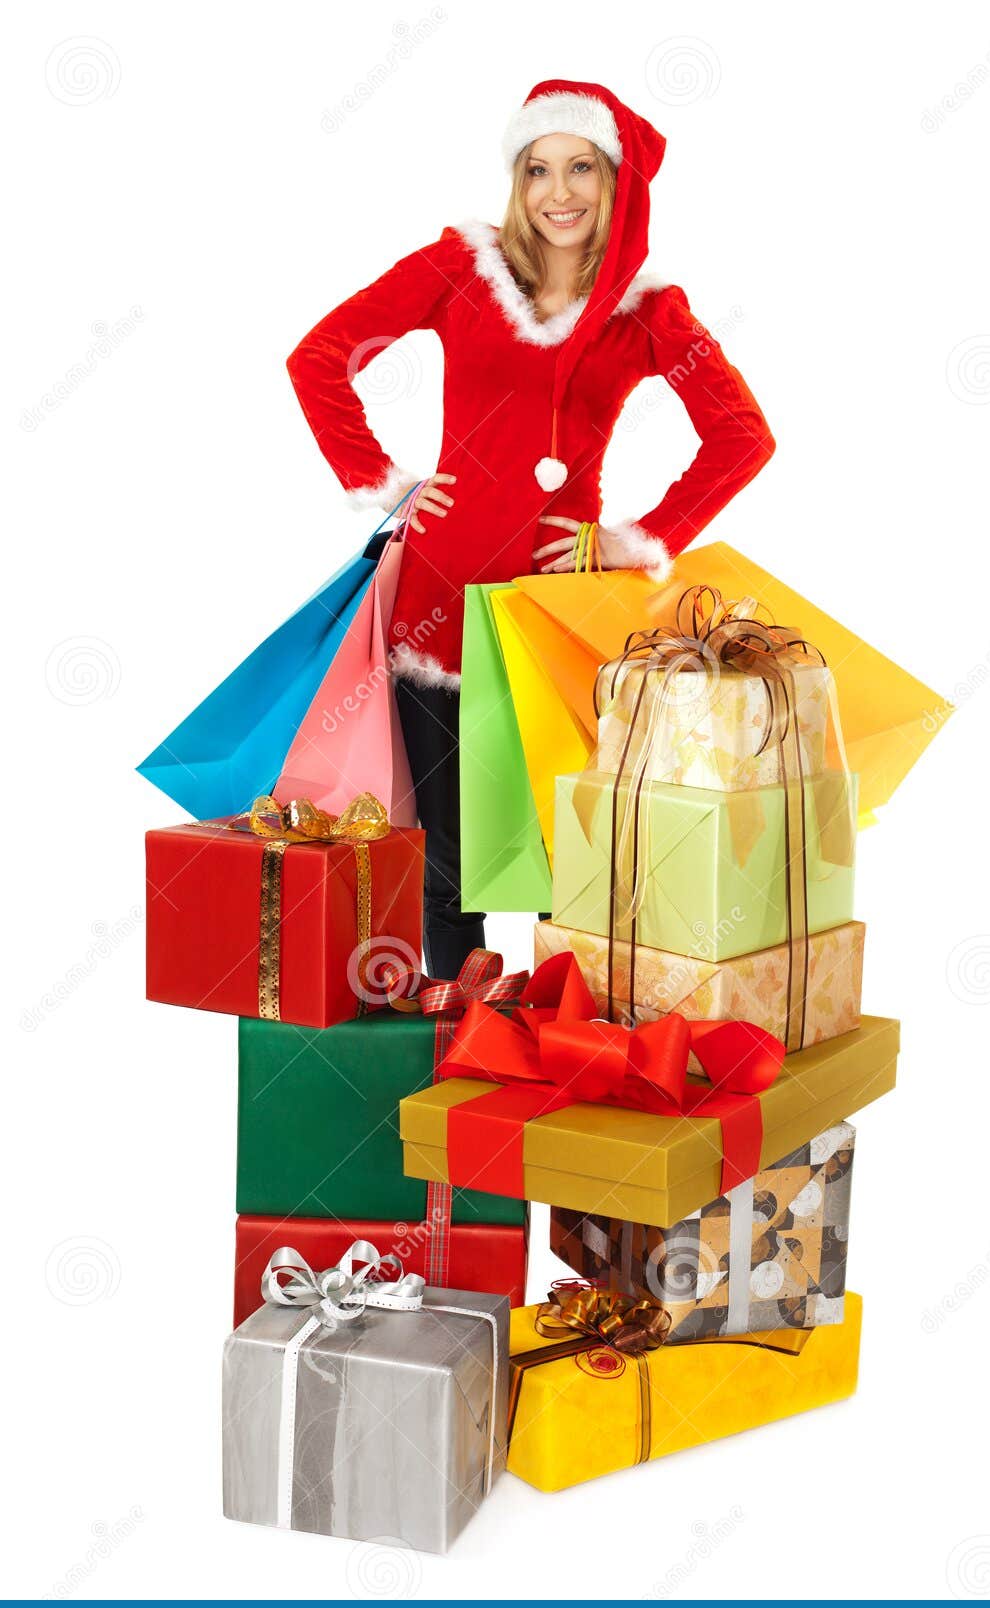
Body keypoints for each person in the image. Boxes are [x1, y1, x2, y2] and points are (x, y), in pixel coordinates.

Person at [286, 78, 775, 979]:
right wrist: (380, 479)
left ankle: (562, 1042)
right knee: (447, 855)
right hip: (437, 605)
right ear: (517, 181)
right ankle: (458, 1045)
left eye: (580, 168)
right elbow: (319, 358)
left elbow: (743, 437)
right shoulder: (455, 270)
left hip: (557, 618)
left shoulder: (650, 313)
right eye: (537, 169)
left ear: (615, 182)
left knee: (564, 853)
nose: (558, 192)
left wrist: (635, 537)